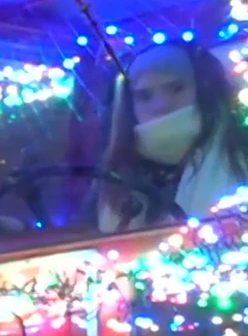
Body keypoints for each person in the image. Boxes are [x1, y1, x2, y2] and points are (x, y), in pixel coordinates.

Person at [96, 42, 248, 233]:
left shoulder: (240, 156)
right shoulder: (113, 178)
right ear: (129, 106)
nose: (160, 105)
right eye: (144, 96)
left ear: (204, 91)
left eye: (176, 88)